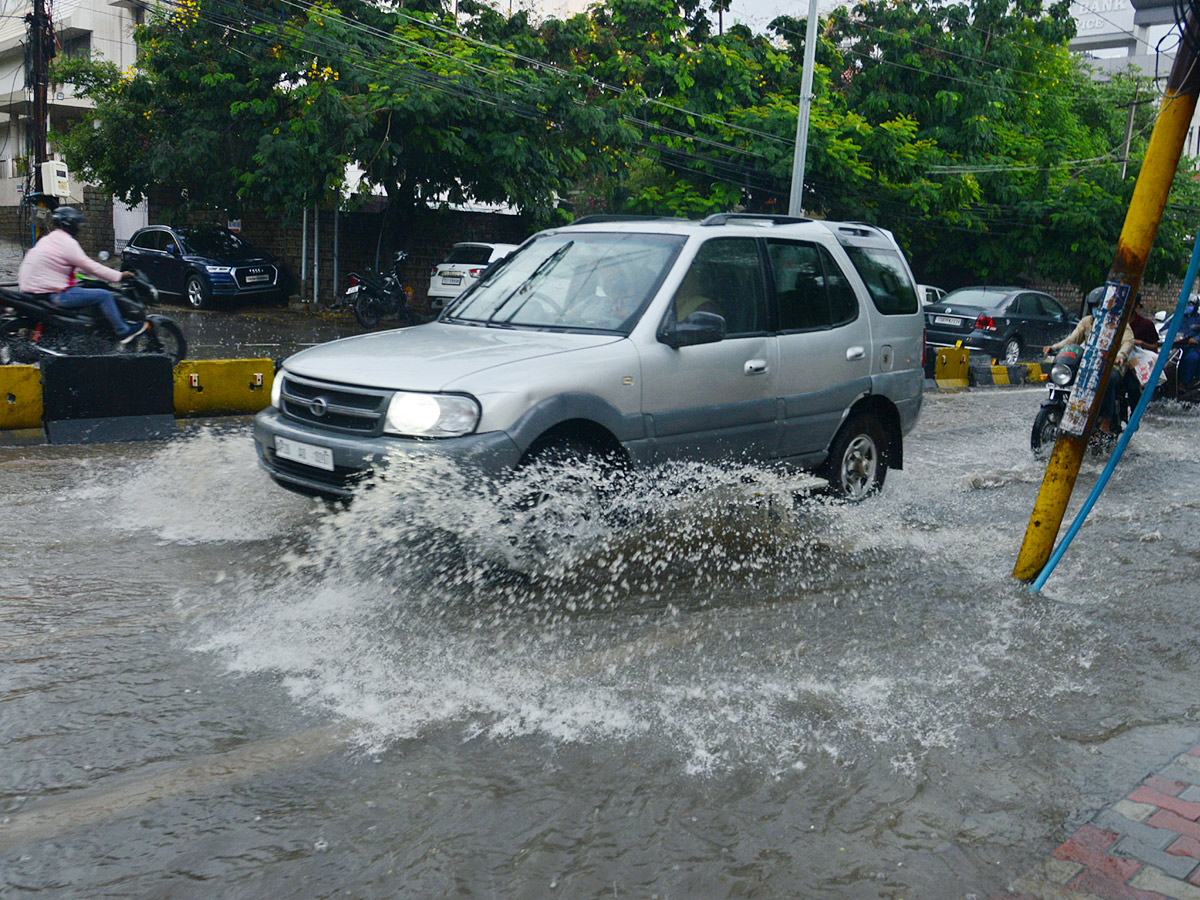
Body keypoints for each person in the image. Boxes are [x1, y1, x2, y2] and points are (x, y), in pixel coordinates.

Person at [17, 206, 145, 344]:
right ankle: (122, 331)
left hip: (33, 291)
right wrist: (118, 276)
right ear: (70, 224)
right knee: (104, 295)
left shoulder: (48, 239)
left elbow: (74, 265)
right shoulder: (67, 242)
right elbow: (90, 266)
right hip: (54, 294)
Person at [1043, 288, 1136, 433]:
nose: (1097, 310)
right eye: (1094, 306)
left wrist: (1121, 355)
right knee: (1065, 373)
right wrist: (1054, 347)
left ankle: (1106, 420)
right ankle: (1060, 412)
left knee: (1109, 379)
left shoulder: (1119, 322)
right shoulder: (1086, 322)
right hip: (1090, 364)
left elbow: (1128, 341)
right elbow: (1072, 339)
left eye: (1100, 306)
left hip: (1113, 365)